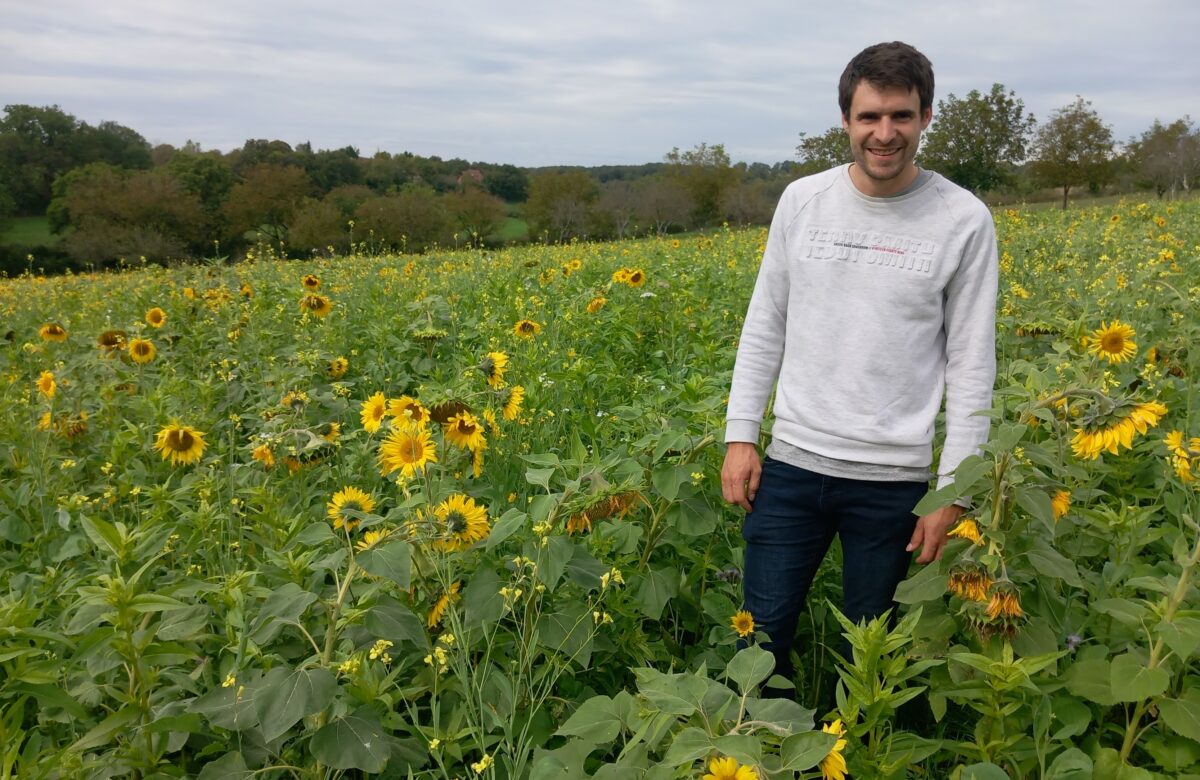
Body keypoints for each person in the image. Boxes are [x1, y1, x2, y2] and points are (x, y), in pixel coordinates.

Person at [720, 41, 998, 692]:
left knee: (874, 662)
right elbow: (765, 324)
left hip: (894, 485)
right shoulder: (803, 201)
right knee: (758, 643)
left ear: (926, 117)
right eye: (869, 116)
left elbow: (972, 366)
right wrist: (741, 436)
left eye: (901, 116)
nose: (885, 133)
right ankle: (755, 742)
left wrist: (952, 493)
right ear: (845, 119)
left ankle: (859, 745)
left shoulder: (963, 220)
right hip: (791, 468)